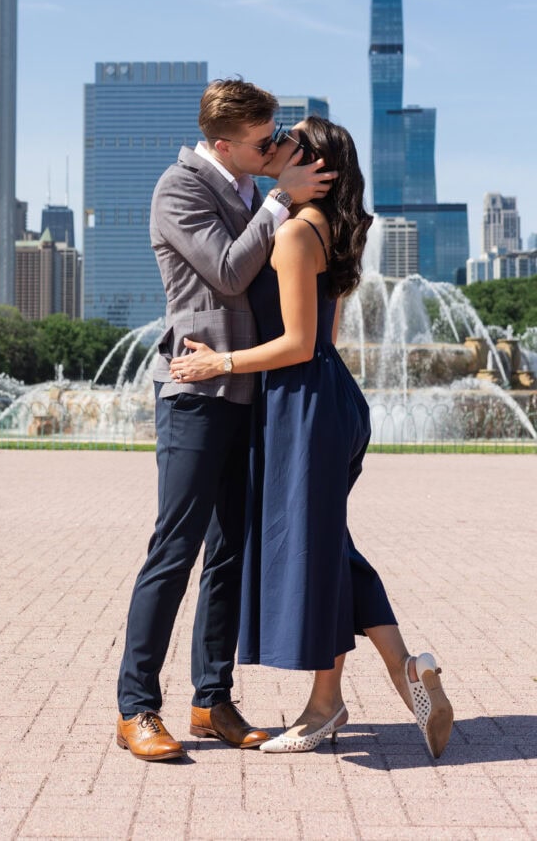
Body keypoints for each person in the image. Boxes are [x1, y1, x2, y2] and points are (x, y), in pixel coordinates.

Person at [169, 116, 454, 758]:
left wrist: (221, 363)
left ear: (314, 164)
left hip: (305, 402)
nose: (273, 147)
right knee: (332, 544)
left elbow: (301, 343)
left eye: (286, 141)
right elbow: (323, 340)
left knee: (321, 549)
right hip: (320, 397)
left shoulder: (297, 232)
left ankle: (327, 705)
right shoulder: (328, 226)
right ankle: (406, 669)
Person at [116, 81, 338, 761]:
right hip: (195, 391)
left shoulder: (249, 188)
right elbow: (227, 272)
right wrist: (277, 197)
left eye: (274, 138)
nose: (272, 149)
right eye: (261, 142)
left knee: (231, 552)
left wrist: (281, 192)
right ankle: (137, 708)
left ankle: (212, 699)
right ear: (223, 145)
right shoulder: (179, 188)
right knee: (174, 547)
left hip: (250, 390)